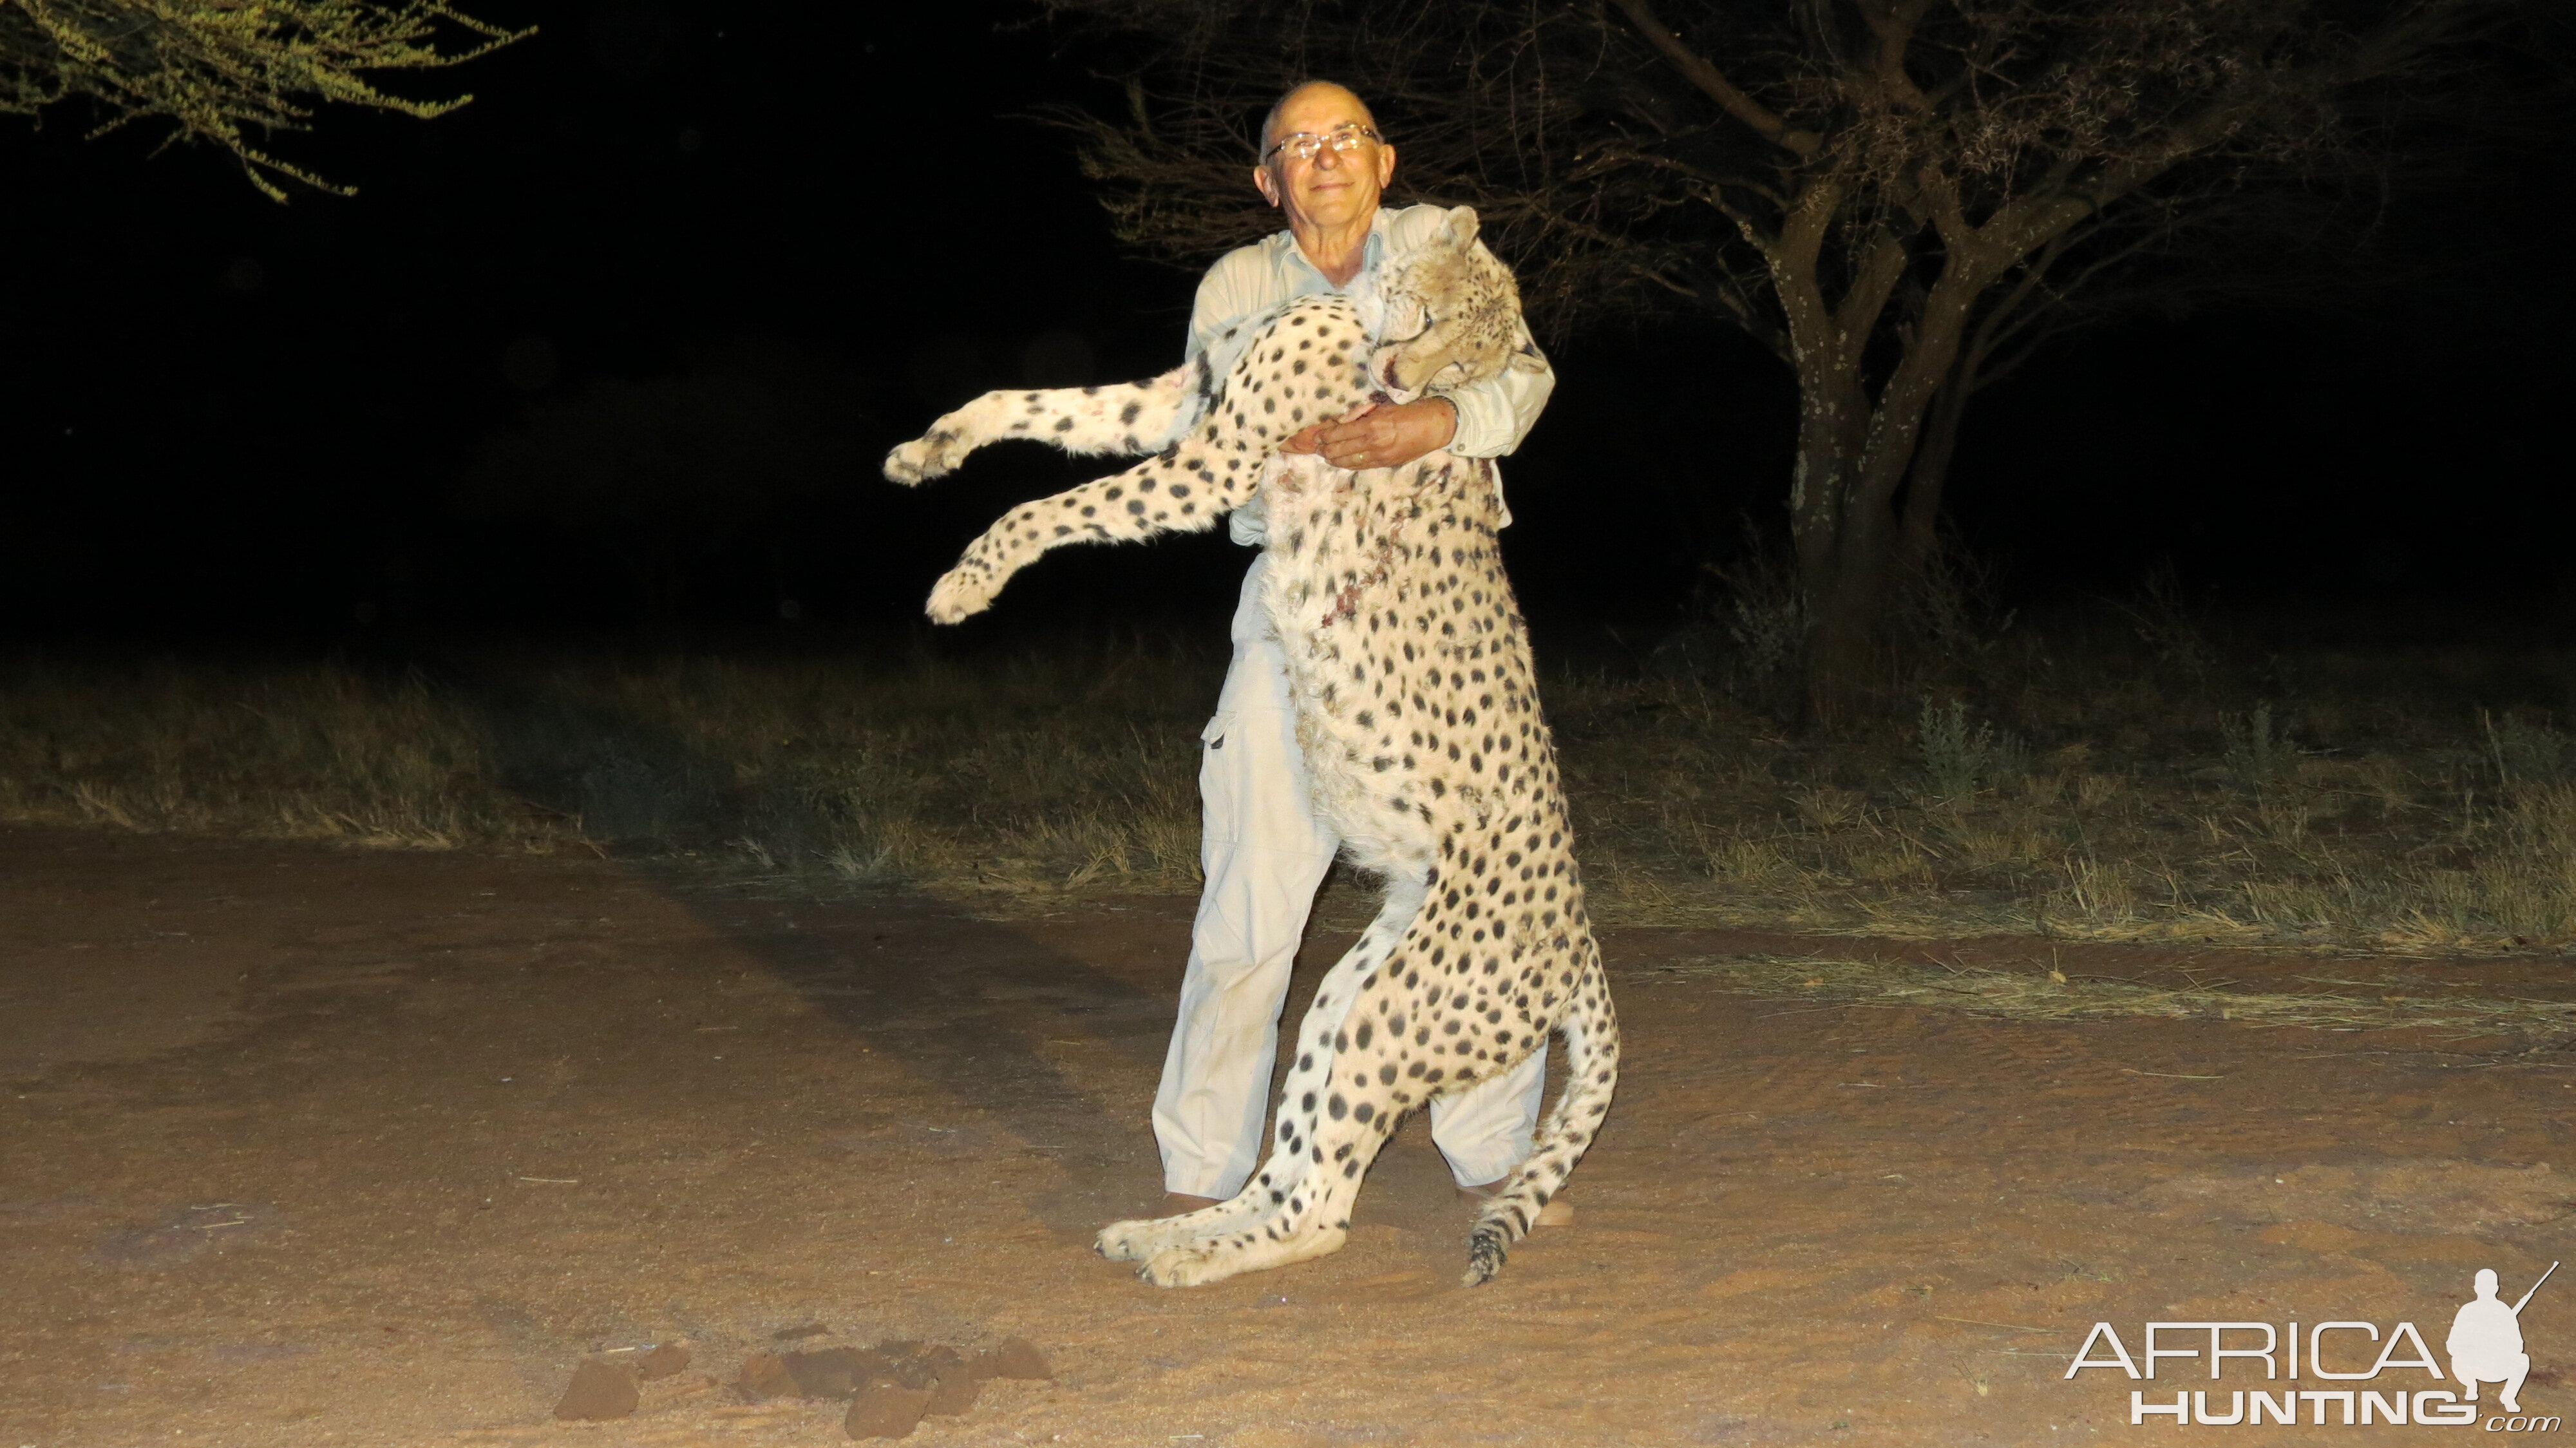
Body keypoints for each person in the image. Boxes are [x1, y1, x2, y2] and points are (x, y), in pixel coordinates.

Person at [1148, 79, 1564, 1221]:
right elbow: (1201, 448)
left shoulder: (1441, 252)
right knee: (1250, 897)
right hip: (1301, 615)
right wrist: (1273, 447)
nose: (1323, 157)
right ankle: (1203, 1168)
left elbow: (1523, 381)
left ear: (1386, 162)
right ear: (1268, 178)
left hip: (1444, 620)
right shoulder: (1237, 285)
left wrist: (1434, 421)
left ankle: (1493, 1154)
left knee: (1474, 887)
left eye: (1346, 139)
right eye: (1297, 144)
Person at [2449, 1268, 2535, 1413]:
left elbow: (2518, 1345)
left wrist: (2498, 1343)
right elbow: (2452, 1344)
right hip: (2472, 1366)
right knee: (2456, 1359)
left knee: (2523, 1360)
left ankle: (2508, 1397)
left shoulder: (2504, 1311)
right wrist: (2472, 1346)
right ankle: (2471, 1385)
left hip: (2498, 1366)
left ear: (2495, 1289)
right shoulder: (2467, 1310)